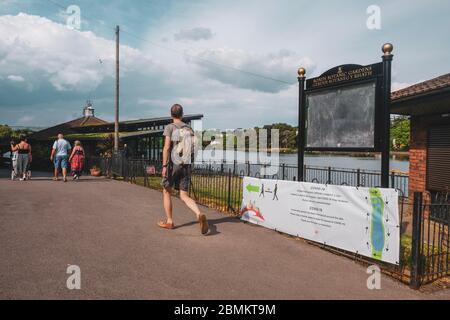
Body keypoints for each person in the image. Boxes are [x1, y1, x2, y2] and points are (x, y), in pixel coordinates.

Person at [158, 104, 209, 235]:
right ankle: (199, 214)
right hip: (186, 165)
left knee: (166, 191)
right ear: (182, 114)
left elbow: (167, 147)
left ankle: (169, 221)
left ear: (171, 115)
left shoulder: (170, 127)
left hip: (173, 165)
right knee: (184, 195)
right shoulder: (189, 129)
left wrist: (164, 166)